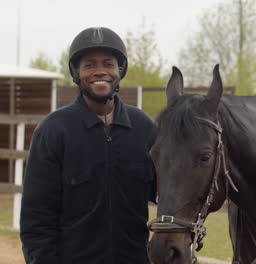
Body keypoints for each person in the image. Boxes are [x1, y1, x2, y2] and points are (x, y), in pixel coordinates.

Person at [20, 27, 156, 264]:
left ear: (119, 70)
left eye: (108, 64)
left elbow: (171, 193)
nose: (100, 71)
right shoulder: (53, 131)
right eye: (90, 65)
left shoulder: (145, 128)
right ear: (76, 73)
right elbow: (36, 220)